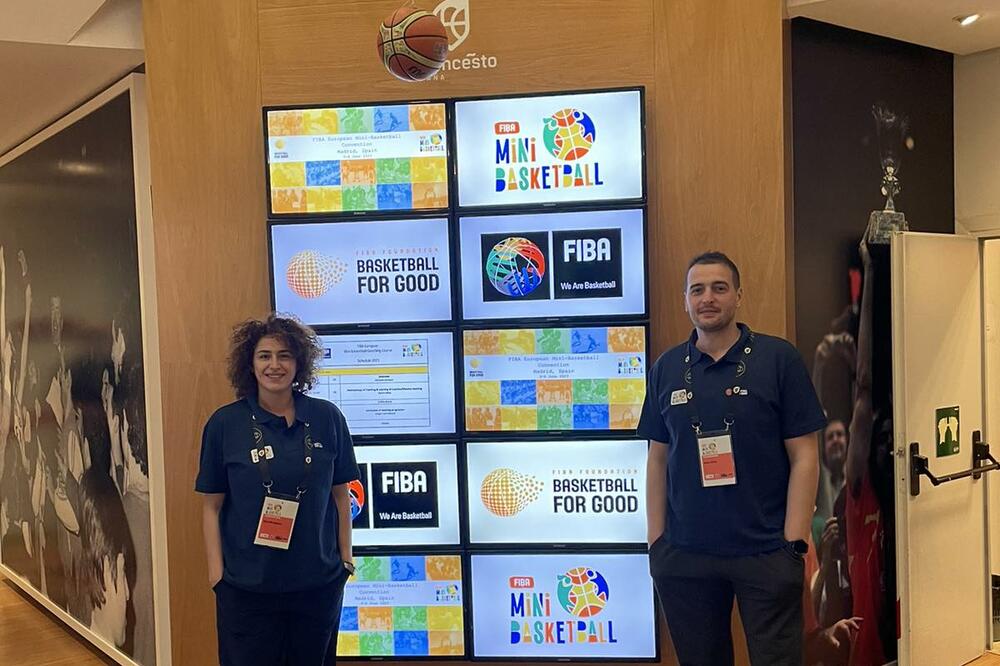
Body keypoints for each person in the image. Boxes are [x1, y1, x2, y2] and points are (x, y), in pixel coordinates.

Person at [640, 251, 825, 665]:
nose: (707, 298)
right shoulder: (667, 368)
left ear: (738, 296)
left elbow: (805, 455)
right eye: (697, 290)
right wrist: (657, 543)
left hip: (766, 551)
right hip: (685, 555)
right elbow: (657, 459)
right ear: (686, 300)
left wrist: (795, 542)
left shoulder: (778, 359)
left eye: (719, 288)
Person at [196, 314, 359, 666]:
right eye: (264, 356)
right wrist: (217, 577)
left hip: (317, 586)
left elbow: (341, 495)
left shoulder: (327, 418)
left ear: (299, 363)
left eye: (284, 355)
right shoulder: (225, 424)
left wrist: (345, 560)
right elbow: (211, 506)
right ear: (250, 364)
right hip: (246, 590)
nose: (275, 365)